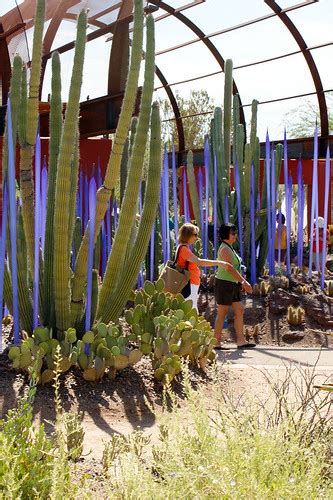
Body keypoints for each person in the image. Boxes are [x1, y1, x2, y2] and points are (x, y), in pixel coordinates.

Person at [214, 223, 255, 349]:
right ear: (226, 234)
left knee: (239, 310)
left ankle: (241, 341)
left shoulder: (229, 247)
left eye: (235, 233)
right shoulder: (225, 249)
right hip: (224, 284)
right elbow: (230, 269)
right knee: (222, 313)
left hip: (232, 283)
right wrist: (244, 282)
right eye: (232, 233)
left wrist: (240, 281)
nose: (235, 235)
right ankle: (216, 342)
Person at [175, 223, 232, 311]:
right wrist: (218, 262)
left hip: (190, 283)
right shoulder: (184, 250)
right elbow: (199, 262)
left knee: (192, 308)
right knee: (191, 310)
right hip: (189, 284)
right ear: (188, 235)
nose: (196, 237)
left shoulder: (182, 248)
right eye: (195, 235)